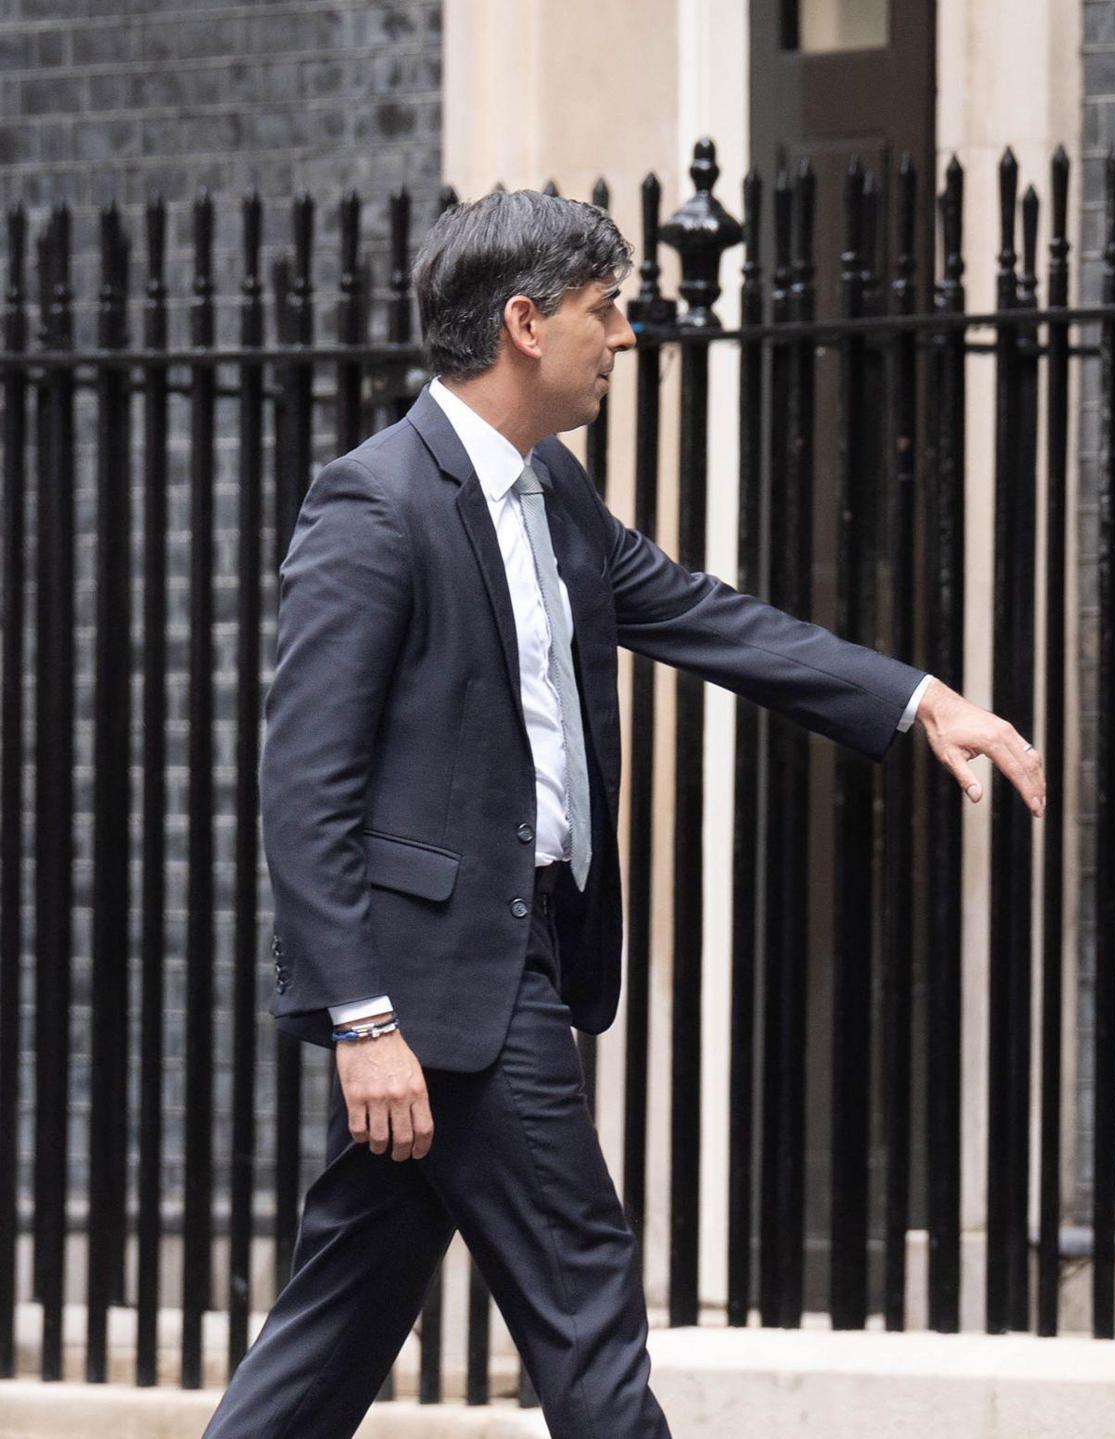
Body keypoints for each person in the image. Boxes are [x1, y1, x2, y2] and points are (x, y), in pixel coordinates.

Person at [206, 188, 1043, 1439]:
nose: (630, 337)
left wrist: (918, 699)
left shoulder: (554, 493)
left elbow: (710, 616)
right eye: (609, 310)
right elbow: (304, 782)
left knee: (336, 1323)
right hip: (451, 985)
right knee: (586, 1301)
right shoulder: (377, 502)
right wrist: (364, 1016)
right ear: (527, 324)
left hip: (520, 946)